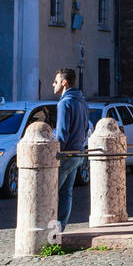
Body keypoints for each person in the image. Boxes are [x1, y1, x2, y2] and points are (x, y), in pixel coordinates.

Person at [53, 68, 89, 232]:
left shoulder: (64, 103)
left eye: (56, 81)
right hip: (78, 152)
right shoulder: (82, 101)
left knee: (52, 193)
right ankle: (60, 229)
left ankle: (51, 232)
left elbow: (62, 132)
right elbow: (86, 127)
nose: (53, 84)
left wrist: (57, 154)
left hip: (66, 154)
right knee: (66, 193)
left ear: (64, 83)